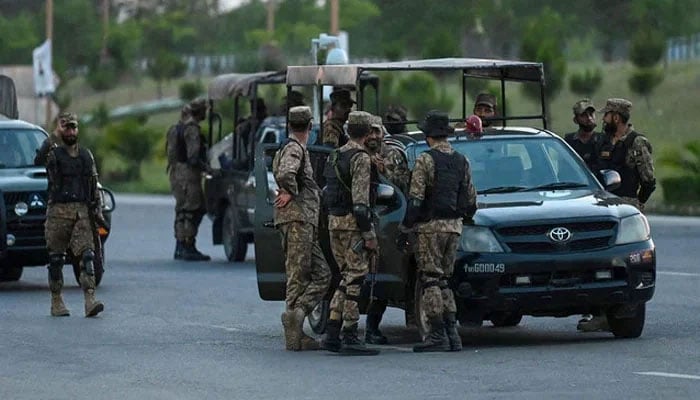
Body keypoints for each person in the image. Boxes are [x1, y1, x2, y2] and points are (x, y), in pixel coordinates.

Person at [400, 110, 477, 352]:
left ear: (428, 136)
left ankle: (436, 333)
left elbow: (415, 199)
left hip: (430, 227)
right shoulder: (461, 160)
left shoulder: (425, 160)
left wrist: (406, 226)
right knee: (444, 280)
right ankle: (453, 333)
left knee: (430, 280)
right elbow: (471, 199)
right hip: (454, 227)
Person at [578, 98, 656, 333]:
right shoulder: (603, 141)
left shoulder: (636, 143)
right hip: (603, 209)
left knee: (628, 264)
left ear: (618, 117)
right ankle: (600, 313)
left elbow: (649, 180)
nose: (603, 119)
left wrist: (637, 203)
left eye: (607, 115)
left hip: (627, 211)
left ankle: (623, 313)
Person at [272, 106, 331, 351]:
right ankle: (293, 334)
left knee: (323, 274)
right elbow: (286, 172)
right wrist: (290, 192)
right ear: (310, 125)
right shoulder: (295, 147)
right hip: (297, 220)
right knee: (297, 275)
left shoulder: (293, 146)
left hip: (303, 220)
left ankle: (298, 315)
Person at [321, 111, 380, 356]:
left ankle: (333, 329)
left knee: (346, 276)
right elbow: (360, 202)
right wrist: (368, 233)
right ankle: (350, 333)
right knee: (356, 277)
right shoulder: (361, 158)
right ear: (367, 133)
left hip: (334, 223)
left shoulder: (335, 155)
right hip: (353, 225)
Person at [44, 112, 105, 317]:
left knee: (88, 255)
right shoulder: (53, 154)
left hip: (82, 213)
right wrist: (53, 135)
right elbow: (38, 159)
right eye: (66, 128)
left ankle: (90, 300)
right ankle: (56, 301)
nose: (70, 131)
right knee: (56, 259)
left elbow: (93, 185)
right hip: (58, 213)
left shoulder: (86, 155)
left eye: (73, 127)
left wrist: (97, 210)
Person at [360, 115, 410, 345]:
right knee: (351, 277)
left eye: (377, 132)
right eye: (368, 132)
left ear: (383, 133)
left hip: (385, 222)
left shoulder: (394, 155)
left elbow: (402, 187)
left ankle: (372, 327)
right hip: (356, 223)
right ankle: (342, 327)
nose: (373, 137)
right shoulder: (354, 153)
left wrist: (383, 170)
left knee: (379, 277)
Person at [166, 99, 211, 261]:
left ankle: (180, 245)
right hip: (189, 175)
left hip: (175, 173)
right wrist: (208, 168)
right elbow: (193, 156)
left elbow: (171, 154)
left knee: (182, 210)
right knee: (194, 210)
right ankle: (188, 245)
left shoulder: (175, 128)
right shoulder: (192, 129)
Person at [564, 99, 601, 171]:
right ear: (575, 120)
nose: (589, 118)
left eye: (591, 114)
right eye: (584, 115)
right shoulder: (568, 142)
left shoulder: (603, 140)